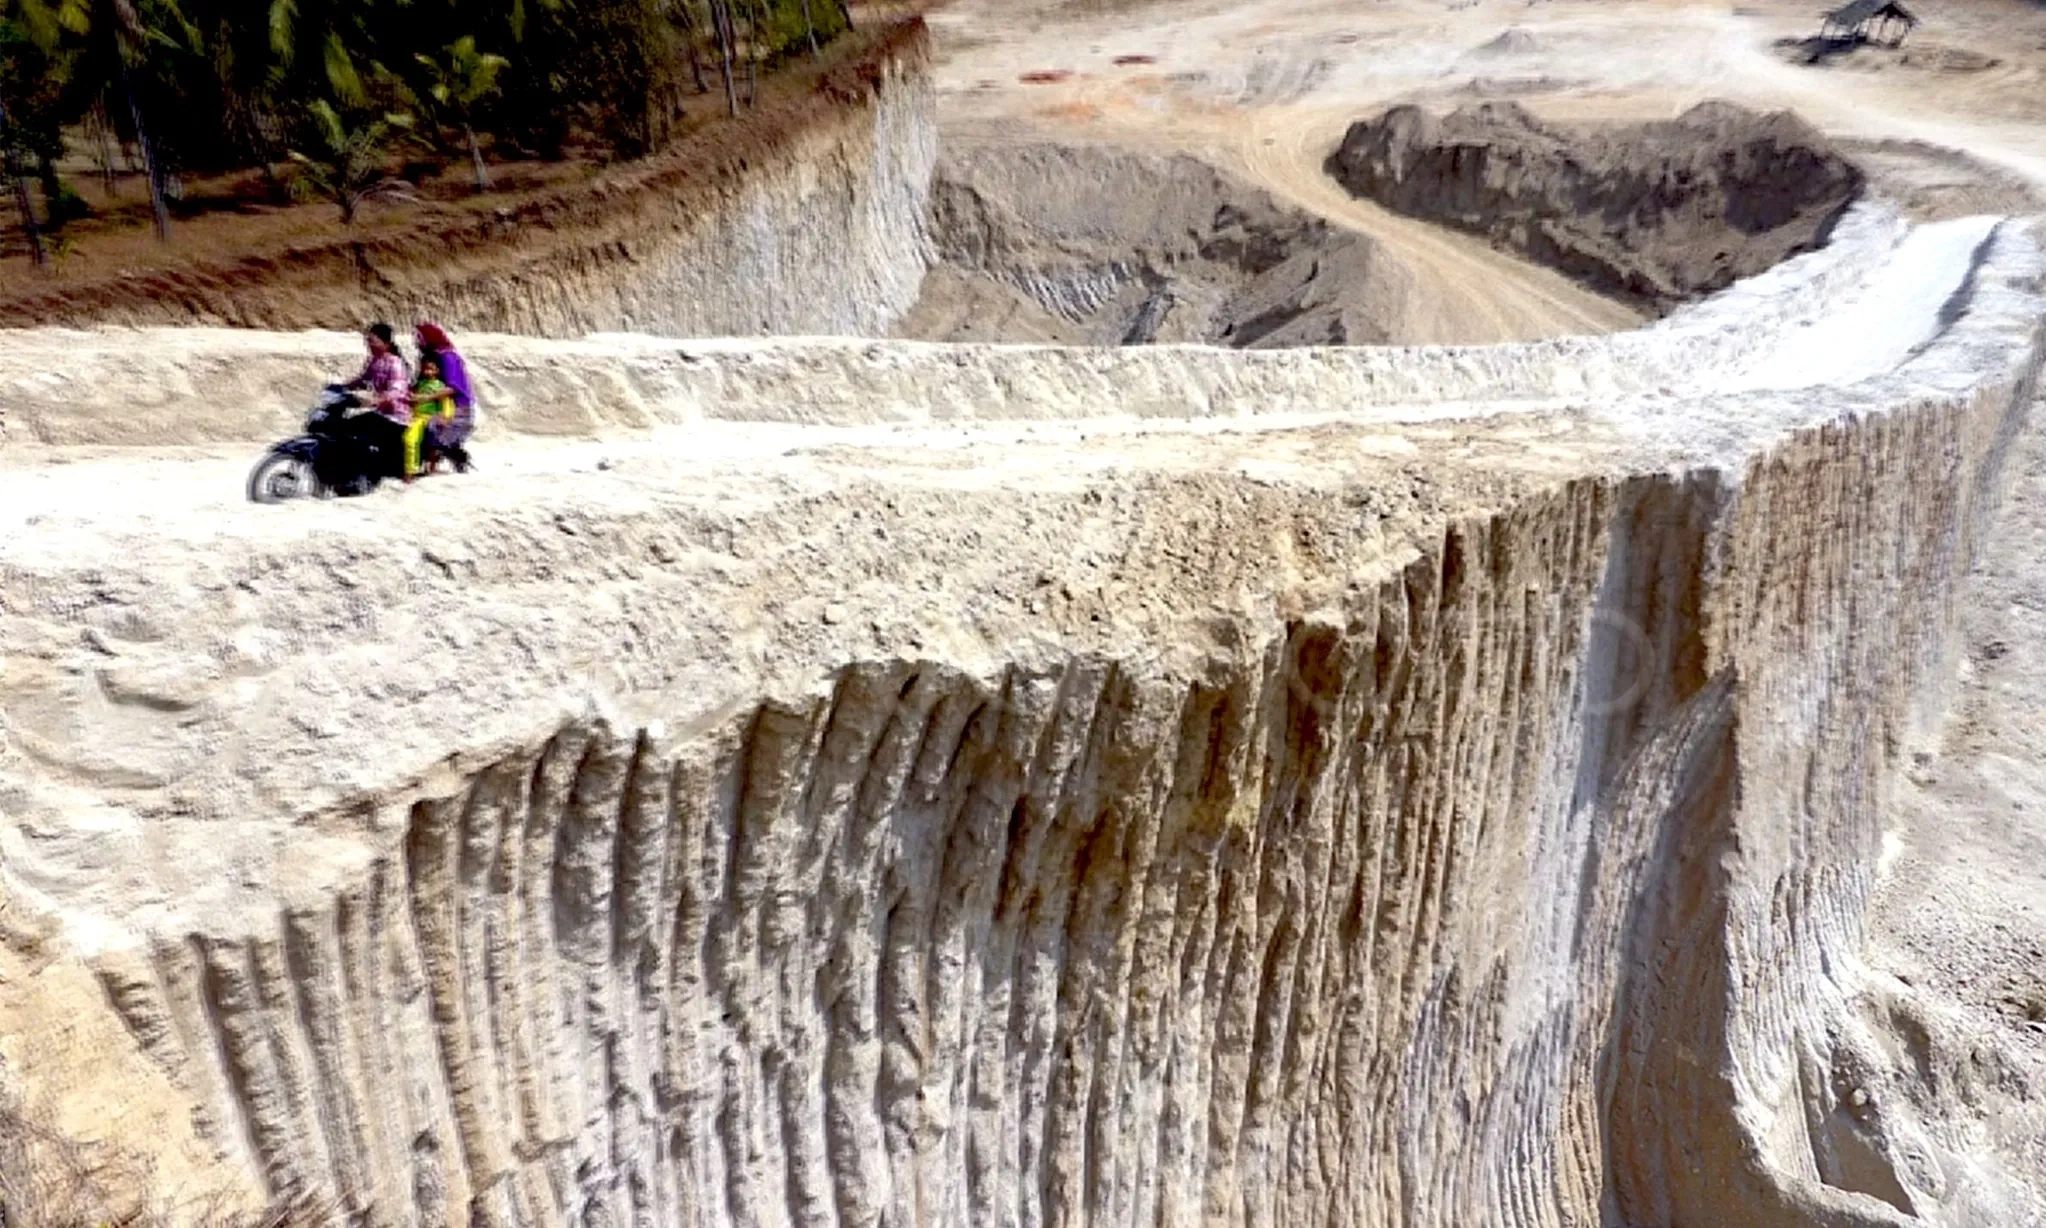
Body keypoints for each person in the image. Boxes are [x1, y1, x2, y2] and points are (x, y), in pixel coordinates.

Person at [340, 322, 411, 491]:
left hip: (396, 417)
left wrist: (378, 400)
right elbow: (363, 380)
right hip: (381, 413)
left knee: (361, 432)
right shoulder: (375, 361)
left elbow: (397, 390)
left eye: (373, 341)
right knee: (345, 426)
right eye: (368, 341)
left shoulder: (395, 363)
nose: (369, 344)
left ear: (386, 343)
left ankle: (367, 476)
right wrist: (342, 387)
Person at [413, 321, 477, 473]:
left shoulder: (448, 357)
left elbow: (453, 387)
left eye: (420, 338)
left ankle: (434, 467)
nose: (417, 342)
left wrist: (426, 398)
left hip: (457, 407)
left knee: (432, 431)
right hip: (438, 404)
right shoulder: (433, 356)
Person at [405, 353, 457, 483]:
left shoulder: (440, 386)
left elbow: (446, 403)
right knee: (410, 439)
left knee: (433, 443)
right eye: (425, 369)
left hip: (432, 417)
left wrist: (445, 417)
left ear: (437, 371)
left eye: (431, 369)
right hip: (417, 417)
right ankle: (410, 470)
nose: (427, 372)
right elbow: (412, 400)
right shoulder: (420, 384)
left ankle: (432, 467)